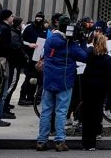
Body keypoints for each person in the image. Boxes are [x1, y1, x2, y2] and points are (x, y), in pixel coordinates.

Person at [36, 16, 88, 152]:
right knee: (61, 111)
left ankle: (42, 141)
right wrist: (82, 41)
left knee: (46, 110)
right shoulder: (69, 44)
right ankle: (59, 141)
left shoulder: (49, 40)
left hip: (48, 80)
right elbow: (84, 56)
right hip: (64, 81)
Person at [80, 33, 111, 151]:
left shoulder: (89, 55)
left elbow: (87, 50)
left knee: (87, 114)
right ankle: (93, 139)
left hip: (87, 87)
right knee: (96, 113)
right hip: (100, 89)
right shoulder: (107, 59)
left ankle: (86, 142)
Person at [21, 13, 48, 104]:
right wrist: (29, 44)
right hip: (29, 56)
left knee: (35, 79)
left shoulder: (43, 30)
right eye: (37, 18)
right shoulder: (29, 28)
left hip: (38, 57)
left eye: (41, 18)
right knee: (29, 77)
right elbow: (22, 41)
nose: (39, 20)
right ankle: (22, 97)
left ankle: (30, 97)